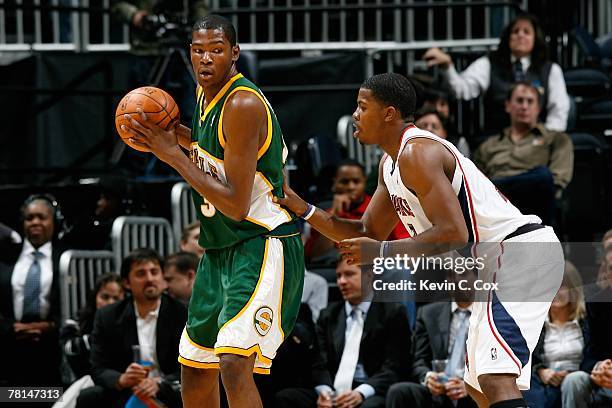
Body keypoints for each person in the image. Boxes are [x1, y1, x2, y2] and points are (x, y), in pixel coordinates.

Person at [276, 72, 564, 408]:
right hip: (496, 265)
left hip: (518, 253)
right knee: (479, 388)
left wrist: (382, 250)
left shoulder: (418, 153)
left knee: (494, 377)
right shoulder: (390, 164)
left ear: (389, 113)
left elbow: (453, 232)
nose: (354, 114)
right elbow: (366, 232)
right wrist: (306, 209)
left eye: (362, 106)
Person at [121, 15, 305, 408]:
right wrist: (170, 134)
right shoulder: (206, 95)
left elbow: (236, 204)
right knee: (194, 365)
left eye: (216, 50)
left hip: (260, 242)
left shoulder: (241, 103)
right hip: (220, 248)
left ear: (234, 54)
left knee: (234, 365)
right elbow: (210, 152)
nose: (205, 59)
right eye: (198, 51)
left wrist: (172, 155)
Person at [274, 258, 412, 408]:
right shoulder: (328, 314)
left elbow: (393, 366)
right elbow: (320, 362)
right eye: (339, 276)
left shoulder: (392, 313)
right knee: (287, 397)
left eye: (349, 274)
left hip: (369, 389)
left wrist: (361, 393)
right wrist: (324, 391)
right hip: (333, 390)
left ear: (369, 276)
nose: (342, 281)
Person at [76, 248, 187, 408]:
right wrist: (121, 379)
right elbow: (98, 367)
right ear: (127, 283)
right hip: (130, 390)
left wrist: (160, 383)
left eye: (154, 272)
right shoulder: (107, 316)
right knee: (89, 396)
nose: (149, 279)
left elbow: (192, 364)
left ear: (163, 278)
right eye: (141, 274)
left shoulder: (183, 313)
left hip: (170, 390)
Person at [423, 13, 570, 133]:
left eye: (526, 32)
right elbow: (462, 90)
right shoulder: (488, 63)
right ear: (508, 38)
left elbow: (559, 110)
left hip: (536, 142)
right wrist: (448, 66)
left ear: (535, 38)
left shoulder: (551, 70)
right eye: (515, 31)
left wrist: (547, 140)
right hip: (496, 140)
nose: (520, 35)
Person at [473, 82, 574, 225]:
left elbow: (557, 182)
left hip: (534, 203)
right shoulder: (488, 146)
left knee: (543, 176)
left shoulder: (557, 139)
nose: (524, 106)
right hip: (495, 209)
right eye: (519, 100)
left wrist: (495, 188)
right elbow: (475, 184)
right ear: (508, 105)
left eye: (530, 101)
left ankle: (497, 188)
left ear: (538, 108)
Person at [0, 194, 65, 387]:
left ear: (54, 221)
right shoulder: (4, 256)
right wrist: (10, 327)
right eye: (29, 218)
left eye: (41, 217)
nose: (35, 222)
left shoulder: (67, 258)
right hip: (10, 348)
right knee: (14, 400)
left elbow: (77, 307)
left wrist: (52, 326)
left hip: (52, 350)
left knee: (50, 400)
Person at [305, 159, 410, 265]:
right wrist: (334, 214)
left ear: (365, 181)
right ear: (334, 183)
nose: (351, 187)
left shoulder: (382, 207)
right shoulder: (323, 215)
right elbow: (316, 255)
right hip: (335, 271)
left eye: (356, 181)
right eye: (344, 182)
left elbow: (404, 246)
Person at [524, 261, 590, 408]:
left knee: (573, 381)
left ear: (573, 289)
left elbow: (595, 355)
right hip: (545, 383)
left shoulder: (588, 321)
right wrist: (541, 371)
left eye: (560, 286)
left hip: (581, 381)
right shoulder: (535, 323)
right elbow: (527, 359)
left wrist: (573, 373)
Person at [61, 272, 125, 380]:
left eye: (116, 298)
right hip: (85, 382)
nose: (110, 302)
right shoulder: (77, 322)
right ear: (95, 297)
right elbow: (68, 348)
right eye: (105, 297)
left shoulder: (130, 323)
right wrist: (99, 335)